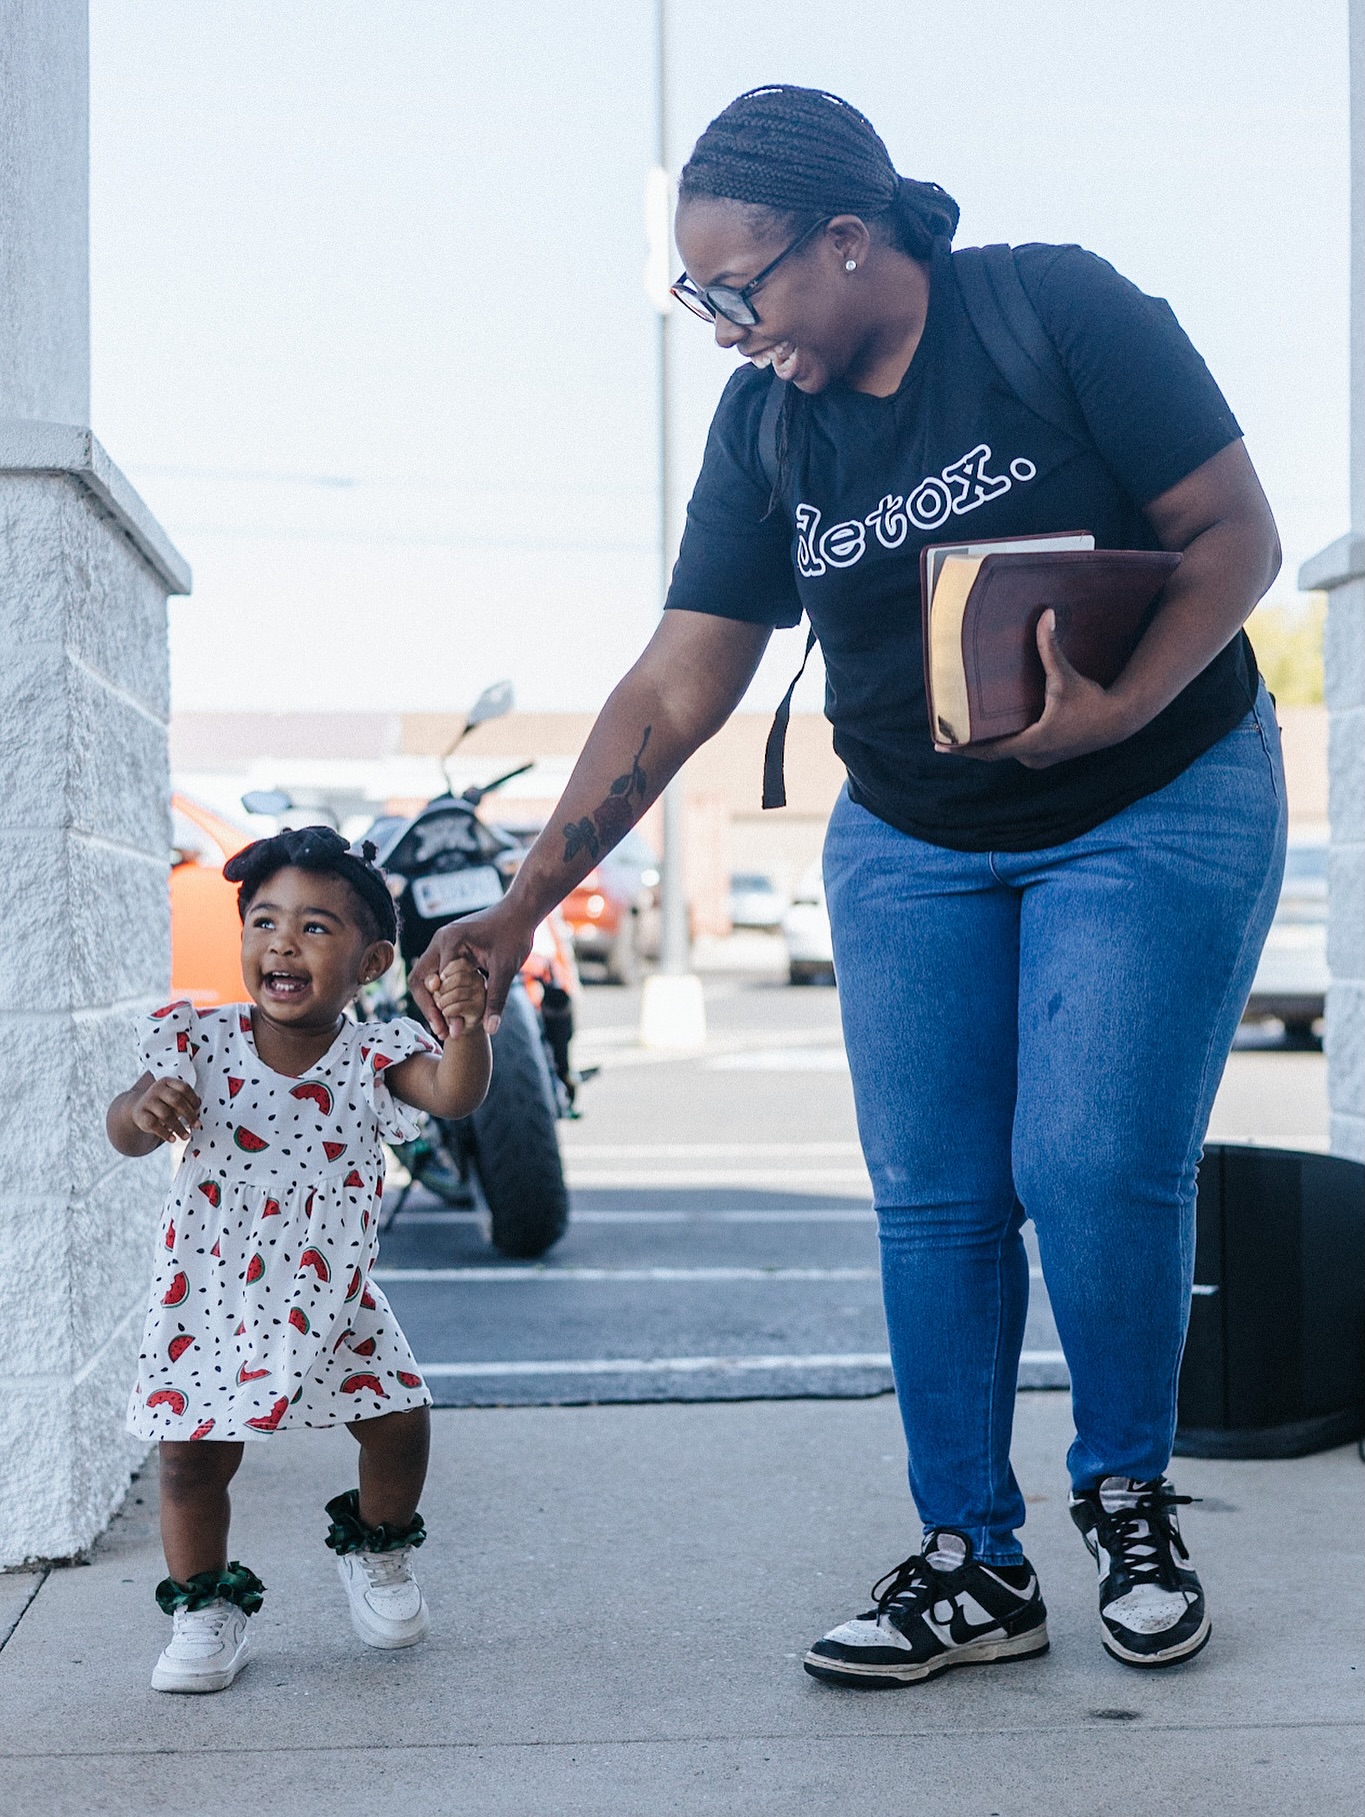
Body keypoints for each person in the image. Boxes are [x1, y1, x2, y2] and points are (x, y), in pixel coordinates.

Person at [411, 85, 1285, 1686]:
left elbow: (1234, 536)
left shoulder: (1056, 309)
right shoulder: (771, 426)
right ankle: (973, 1561)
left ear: (849, 237)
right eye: (699, 299)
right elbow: (682, 681)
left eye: (741, 288)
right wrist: (523, 902)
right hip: (912, 828)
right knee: (936, 1194)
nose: (728, 328)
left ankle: (1128, 1497)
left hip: (1155, 791)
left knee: (1089, 1158)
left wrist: (1128, 699)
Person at [108, 827, 491, 1693]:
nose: (283, 942)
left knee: (397, 1421)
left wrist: (465, 1022)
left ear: (372, 960)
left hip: (331, 1292)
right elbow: (123, 1130)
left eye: (317, 927)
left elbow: (456, 1093)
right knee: (192, 1456)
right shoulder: (196, 1041)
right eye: (266, 921)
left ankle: (379, 1553)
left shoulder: (376, 1055)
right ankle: (204, 1609)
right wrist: (143, 1106)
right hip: (210, 1295)